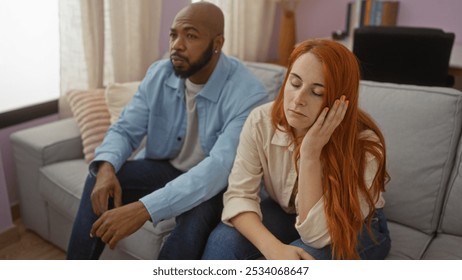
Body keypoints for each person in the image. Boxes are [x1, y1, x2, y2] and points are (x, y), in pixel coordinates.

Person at [66, 2, 268, 260]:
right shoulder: (159, 74)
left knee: (196, 214)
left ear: (217, 43)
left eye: (191, 36)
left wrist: (143, 209)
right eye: (174, 34)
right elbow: (126, 129)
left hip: (218, 185)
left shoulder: (249, 95)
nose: (177, 45)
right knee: (99, 177)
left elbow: (217, 169)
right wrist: (106, 168)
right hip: (167, 167)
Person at [202, 39, 391, 260]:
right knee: (224, 241)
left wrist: (310, 154)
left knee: (301, 262)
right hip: (288, 212)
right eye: (295, 83)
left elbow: (316, 237)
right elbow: (239, 195)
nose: (298, 100)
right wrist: (273, 248)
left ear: (341, 101)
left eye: (317, 92)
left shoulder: (365, 146)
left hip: (357, 228)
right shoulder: (261, 121)